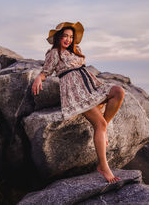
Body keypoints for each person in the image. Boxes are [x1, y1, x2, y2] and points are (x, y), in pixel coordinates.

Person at [31, 21, 125, 184]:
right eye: (65, 36)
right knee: (99, 125)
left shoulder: (77, 50)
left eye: (71, 37)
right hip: (76, 92)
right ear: (59, 37)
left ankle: (104, 130)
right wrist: (39, 78)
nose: (68, 39)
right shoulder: (54, 53)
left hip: (91, 85)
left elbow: (82, 68)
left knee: (118, 91)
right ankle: (103, 166)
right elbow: (46, 71)